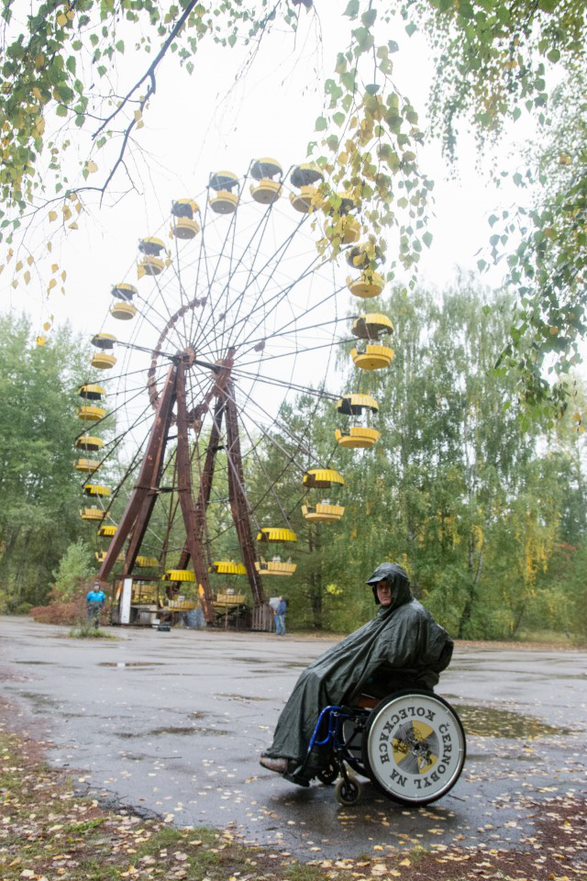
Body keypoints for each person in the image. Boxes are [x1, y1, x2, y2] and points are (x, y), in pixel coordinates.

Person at [259, 562, 454, 786]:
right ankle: (296, 755)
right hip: (379, 676)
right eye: (379, 587)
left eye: (388, 586)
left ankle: (293, 756)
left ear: (399, 587)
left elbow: (396, 658)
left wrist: (355, 667)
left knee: (317, 680)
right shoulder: (392, 613)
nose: (383, 591)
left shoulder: (410, 614)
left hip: (391, 682)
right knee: (313, 675)